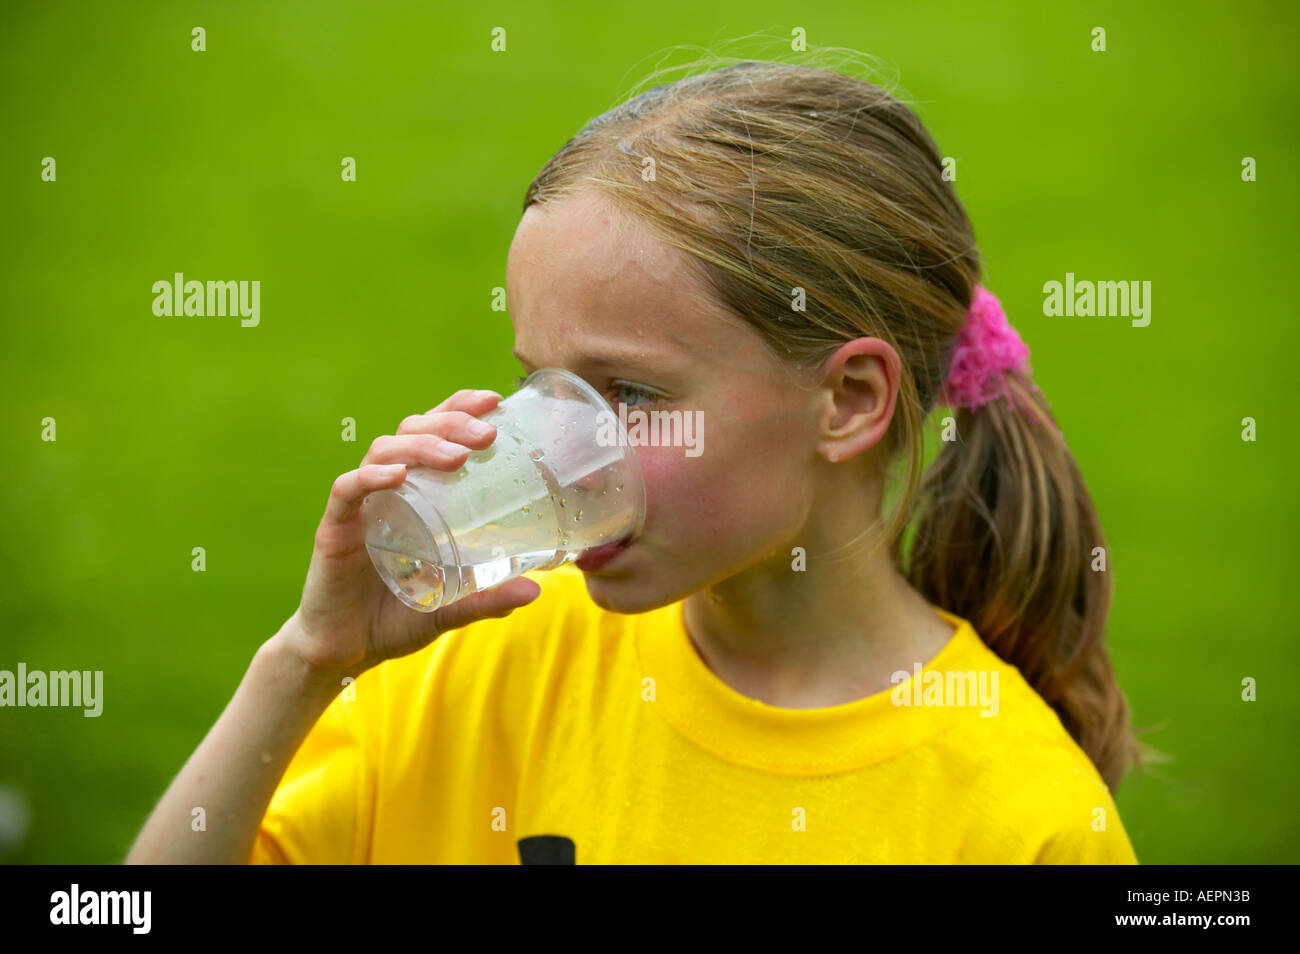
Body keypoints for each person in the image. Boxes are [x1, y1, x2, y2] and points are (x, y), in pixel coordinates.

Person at [126, 59, 1150, 864]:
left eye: (630, 396)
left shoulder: (1021, 821)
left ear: (847, 401)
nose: (553, 456)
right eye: (540, 383)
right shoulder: (482, 654)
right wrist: (305, 661)